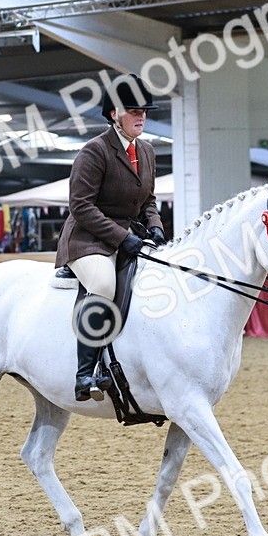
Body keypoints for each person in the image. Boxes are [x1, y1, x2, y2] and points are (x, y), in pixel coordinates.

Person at [55, 75, 166, 401]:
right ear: (114, 113)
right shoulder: (95, 152)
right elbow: (81, 206)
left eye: (144, 110)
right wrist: (121, 238)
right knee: (103, 285)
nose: (141, 116)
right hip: (87, 239)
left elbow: (148, 200)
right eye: (134, 110)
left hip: (127, 236)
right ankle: (85, 373)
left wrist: (156, 226)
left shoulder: (146, 150)